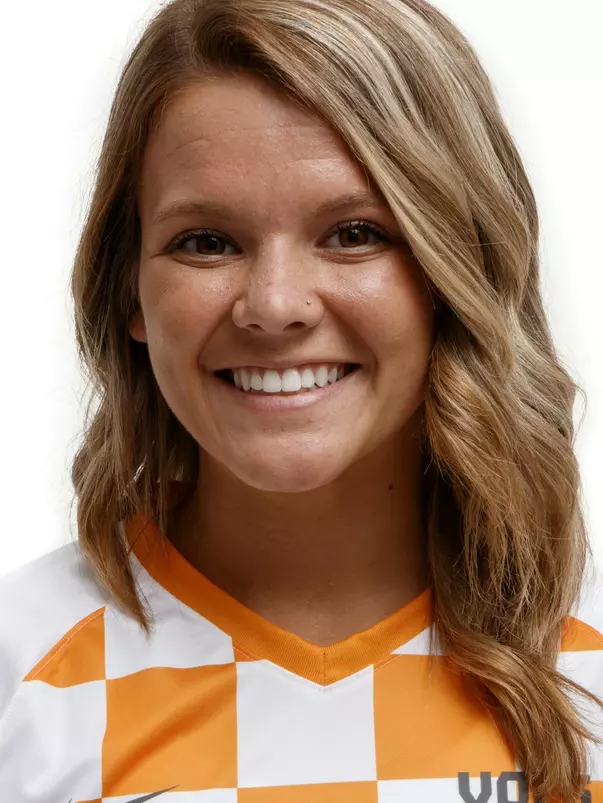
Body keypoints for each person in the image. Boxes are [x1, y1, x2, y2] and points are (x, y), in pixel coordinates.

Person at [1, 0, 602, 800]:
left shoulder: (586, 657)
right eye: (206, 242)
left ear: (456, 271)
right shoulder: (22, 668)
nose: (274, 304)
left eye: (354, 233)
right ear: (131, 294)